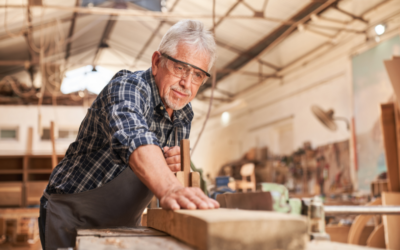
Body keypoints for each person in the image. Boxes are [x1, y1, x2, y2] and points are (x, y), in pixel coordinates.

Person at [38, 19, 220, 250]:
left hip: (123, 224)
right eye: (180, 68)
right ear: (156, 62)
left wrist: (175, 171)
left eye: (197, 75)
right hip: (72, 216)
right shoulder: (127, 88)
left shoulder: (184, 115)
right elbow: (133, 135)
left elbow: (166, 174)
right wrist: (170, 188)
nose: (186, 83)